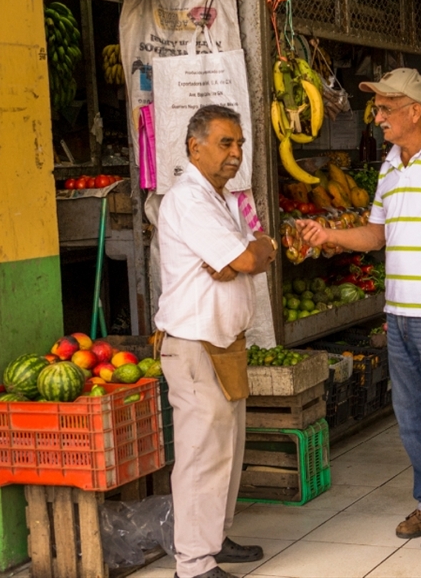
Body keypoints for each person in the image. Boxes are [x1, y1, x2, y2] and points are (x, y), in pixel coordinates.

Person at [297, 68, 421, 551]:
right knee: (410, 415)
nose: (376, 117)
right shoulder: (389, 165)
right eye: (377, 108)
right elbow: (377, 235)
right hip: (399, 314)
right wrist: (330, 236)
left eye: (384, 109)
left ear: (414, 112)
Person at [155, 105, 277, 578]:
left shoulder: (222, 198)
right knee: (201, 456)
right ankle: (193, 562)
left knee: (227, 450)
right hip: (194, 345)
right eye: (226, 143)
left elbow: (254, 250)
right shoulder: (188, 199)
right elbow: (247, 259)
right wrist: (250, 255)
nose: (235, 153)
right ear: (195, 147)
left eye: (240, 144)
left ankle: (215, 539)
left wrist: (253, 252)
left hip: (224, 344)